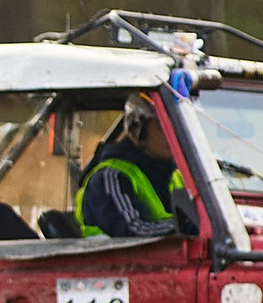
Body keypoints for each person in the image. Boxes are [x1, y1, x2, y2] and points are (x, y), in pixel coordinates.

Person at [75, 96, 199, 240]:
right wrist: (191, 226)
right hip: (113, 262)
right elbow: (132, 230)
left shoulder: (178, 175)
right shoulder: (111, 177)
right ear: (138, 130)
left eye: (176, 127)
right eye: (162, 127)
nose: (173, 136)